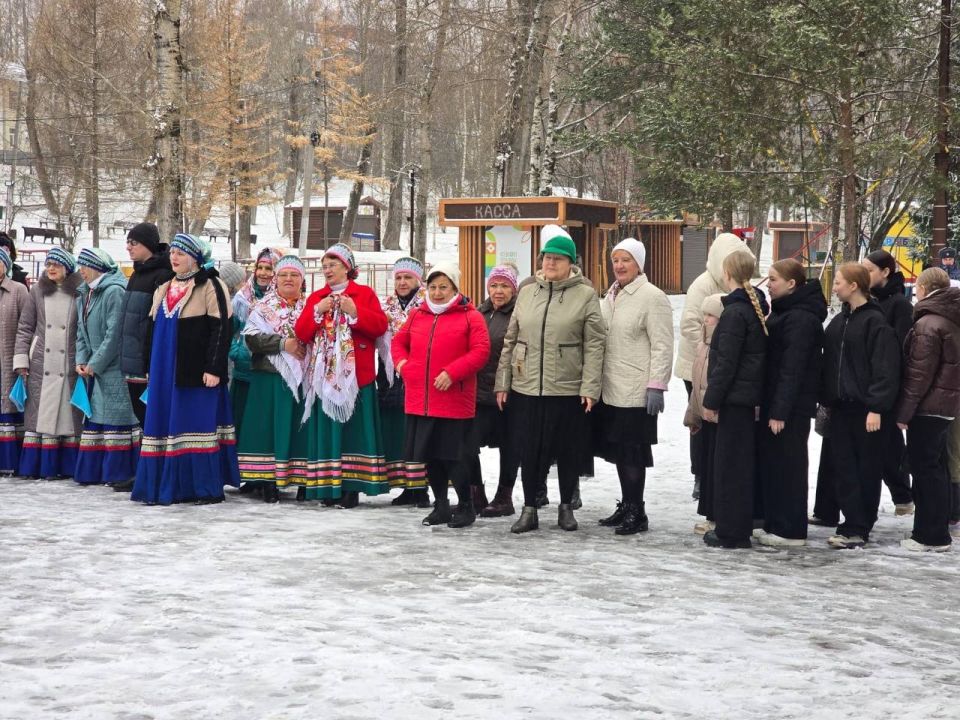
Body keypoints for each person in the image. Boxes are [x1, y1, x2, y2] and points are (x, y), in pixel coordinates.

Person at [495, 224, 606, 534]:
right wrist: (503, 382)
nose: (550, 263)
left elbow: (595, 344)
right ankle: (529, 508)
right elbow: (511, 339)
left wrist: (589, 387)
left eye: (557, 258)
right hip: (526, 385)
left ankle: (566, 508)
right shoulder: (528, 291)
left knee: (567, 449)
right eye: (546, 258)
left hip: (567, 387)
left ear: (570, 262)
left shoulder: (585, 295)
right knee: (529, 450)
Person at [132, 234, 240, 505]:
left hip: (194, 372)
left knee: (195, 425)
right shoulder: (164, 286)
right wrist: (148, 368)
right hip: (163, 369)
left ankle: (202, 487)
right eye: (173, 253)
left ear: (194, 257)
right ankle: (161, 484)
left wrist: (214, 368)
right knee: (163, 425)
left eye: (181, 253)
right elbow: (151, 330)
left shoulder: (211, 285)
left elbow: (221, 329)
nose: (174, 257)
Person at [392, 262, 490, 527]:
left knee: (454, 457)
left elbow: (480, 351)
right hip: (421, 401)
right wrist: (402, 365)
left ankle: (466, 506)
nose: (437, 292)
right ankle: (441, 506)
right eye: (433, 287)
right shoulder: (417, 315)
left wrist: (453, 372)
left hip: (453, 400)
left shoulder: (471, 316)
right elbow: (398, 342)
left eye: (443, 287)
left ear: (455, 288)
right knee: (431, 458)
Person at [293, 243, 389, 506]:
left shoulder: (364, 294)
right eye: (324, 266)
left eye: (332, 265)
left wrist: (355, 311)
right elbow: (301, 333)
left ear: (347, 268)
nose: (327, 270)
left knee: (353, 431)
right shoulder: (317, 297)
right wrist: (318, 310)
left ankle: (352, 487)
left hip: (356, 376)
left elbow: (380, 326)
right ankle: (327, 485)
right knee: (329, 431)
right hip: (324, 375)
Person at [594, 238, 673, 535]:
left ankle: (637, 511)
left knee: (632, 453)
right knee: (618, 450)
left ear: (638, 264)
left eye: (626, 260)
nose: (619, 266)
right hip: (611, 387)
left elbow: (663, 344)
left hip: (637, 390)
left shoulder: (652, 297)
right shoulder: (611, 295)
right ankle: (627, 504)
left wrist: (657, 385)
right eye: (615, 260)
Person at [819, 262, 900, 548]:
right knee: (843, 468)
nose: (836, 286)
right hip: (840, 408)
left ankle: (859, 526)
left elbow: (885, 368)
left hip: (867, 411)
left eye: (839, 281)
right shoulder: (839, 322)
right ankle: (850, 521)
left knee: (865, 469)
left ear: (854, 286)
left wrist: (876, 407)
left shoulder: (875, 323)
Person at [675, 233, 754, 500]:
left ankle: (714, 472)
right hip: (697, 367)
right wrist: (711, 351)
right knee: (700, 422)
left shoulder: (738, 286)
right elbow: (689, 324)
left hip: (721, 366)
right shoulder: (703, 285)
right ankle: (700, 473)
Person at [754, 259, 826, 547]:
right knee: (775, 464)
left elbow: (792, 369)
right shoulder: (787, 312)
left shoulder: (800, 318)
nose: (768, 284)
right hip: (777, 403)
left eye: (773, 279)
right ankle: (776, 522)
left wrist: (780, 411)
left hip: (789, 408)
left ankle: (790, 528)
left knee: (789, 466)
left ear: (791, 283)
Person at [700, 250, 768, 549]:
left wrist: (711, 400)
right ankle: (736, 527)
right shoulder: (749, 309)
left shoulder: (735, 313)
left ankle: (731, 531)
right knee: (737, 464)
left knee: (731, 467)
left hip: (734, 400)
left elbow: (726, 361)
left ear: (727, 274)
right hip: (744, 397)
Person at [895, 268, 960, 551]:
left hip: (928, 406)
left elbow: (918, 375)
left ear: (922, 288)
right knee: (937, 467)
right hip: (946, 405)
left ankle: (929, 535)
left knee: (925, 469)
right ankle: (936, 529)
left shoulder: (928, 324)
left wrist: (904, 413)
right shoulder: (949, 319)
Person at [236, 255, 309, 503]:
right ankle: (267, 480)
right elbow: (251, 339)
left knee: (300, 430)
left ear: (302, 279)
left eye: (294, 275)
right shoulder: (264, 307)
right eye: (284, 275)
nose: (289, 279)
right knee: (266, 430)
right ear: (276, 279)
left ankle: (302, 480)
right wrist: (282, 344)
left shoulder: (310, 308)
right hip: (268, 377)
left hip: (302, 381)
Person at [13, 248, 84, 478]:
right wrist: (22, 359)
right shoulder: (37, 291)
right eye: (48, 264)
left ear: (67, 267)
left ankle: (66, 467)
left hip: (68, 362)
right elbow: (25, 327)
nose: (51, 268)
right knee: (41, 414)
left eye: (56, 264)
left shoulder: (80, 292)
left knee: (67, 415)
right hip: (41, 362)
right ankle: (39, 467)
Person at [73, 248, 141, 487]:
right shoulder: (84, 293)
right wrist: (81, 360)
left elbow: (114, 335)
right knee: (97, 418)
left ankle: (118, 472)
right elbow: (80, 332)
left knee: (116, 418)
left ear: (96, 267)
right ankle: (93, 472)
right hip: (94, 369)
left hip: (113, 369)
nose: (80, 270)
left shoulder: (113, 292)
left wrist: (95, 363)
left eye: (84, 265)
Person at [116, 222, 173, 491]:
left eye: (134, 243)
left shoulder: (162, 274)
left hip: (146, 360)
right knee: (141, 418)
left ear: (148, 245)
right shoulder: (136, 274)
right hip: (132, 359)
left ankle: (154, 470)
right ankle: (143, 468)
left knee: (151, 416)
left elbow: (155, 322)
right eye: (128, 243)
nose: (129, 247)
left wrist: (150, 359)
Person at [862, 249, 914, 514]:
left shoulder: (899, 304)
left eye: (870, 269)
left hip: (888, 382)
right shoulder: (869, 300)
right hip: (867, 382)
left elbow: (902, 347)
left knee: (889, 444)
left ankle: (903, 496)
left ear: (885, 272)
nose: (865, 274)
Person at [376, 256, 430, 508]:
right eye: (398, 277)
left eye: (408, 277)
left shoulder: (428, 304)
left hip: (418, 374)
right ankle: (406, 484)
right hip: (389, 375)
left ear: (418, 281)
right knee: (398, 432)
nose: (402, 282)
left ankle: (422, 487)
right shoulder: (385, 306)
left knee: (417, 431)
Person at [470, 264, 520, 517]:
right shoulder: (480, 312)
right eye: (494, 285)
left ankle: (504, 496)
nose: (498, 291)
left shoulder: (519, 313)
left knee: (509, 446)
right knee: (466, 443)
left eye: (504, 286)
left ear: (513, 288)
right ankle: (476, 494)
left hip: (507, 394)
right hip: (478, 393)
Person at [684, 294, 725, 535]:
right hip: (704, 414)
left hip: (717, 414)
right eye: (705, 315)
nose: (705, 321)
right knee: (707, 465)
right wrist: (693, 414)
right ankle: (710, 514)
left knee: (717, 467)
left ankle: (718, 515)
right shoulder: (703, 345)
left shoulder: (719, 346)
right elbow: (696, 382)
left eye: (710, 316)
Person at [230, 249, 278, 439]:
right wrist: (235, 351)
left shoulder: (282, 300)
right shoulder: (242, 298)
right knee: (239, 425)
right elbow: (227, 330)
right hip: (243, 370)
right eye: (260, 267)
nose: (263, 273)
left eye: (269, 268)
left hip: (268, 371)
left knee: (259, 428)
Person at [0, 248, 30, 473]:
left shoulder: (18, 290)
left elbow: (26, 326)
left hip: (8, 358)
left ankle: (10, 461)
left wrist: (22, 359)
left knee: (9, 406)